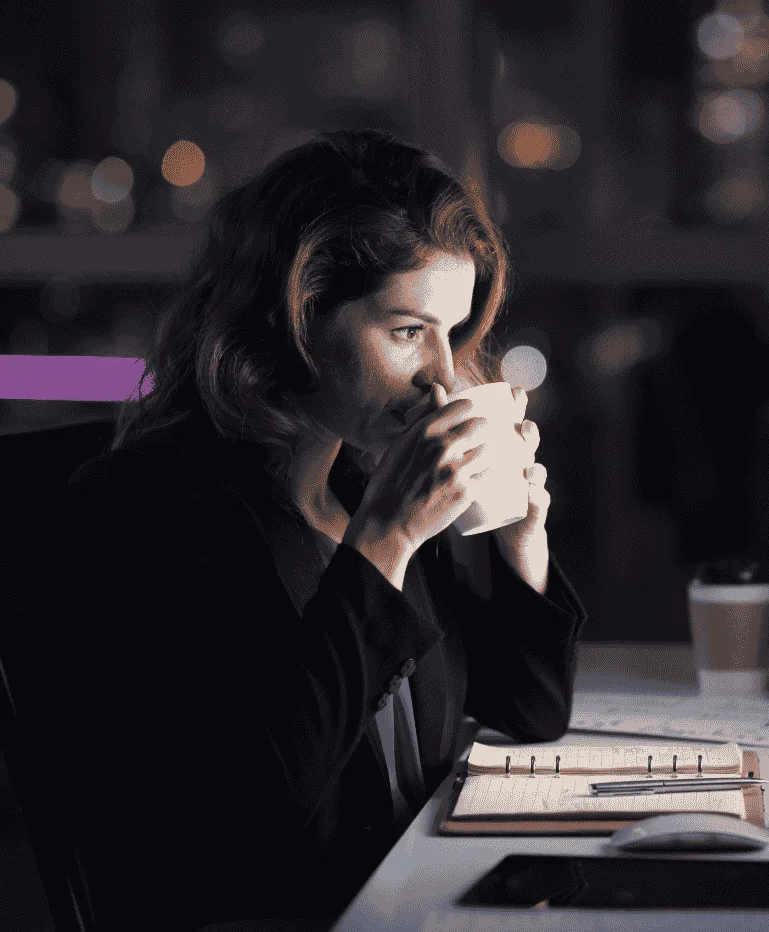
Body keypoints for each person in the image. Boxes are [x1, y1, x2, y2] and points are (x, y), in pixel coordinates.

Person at [51, 129, 586, 930]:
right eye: (408, 332)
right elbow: (239, 826)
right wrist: (384, 547)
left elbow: (532, 709)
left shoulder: (361, 479)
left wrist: (520, 542)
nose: (445, 375)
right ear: (294, 319)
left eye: (454, 330)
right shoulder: (147, 508)